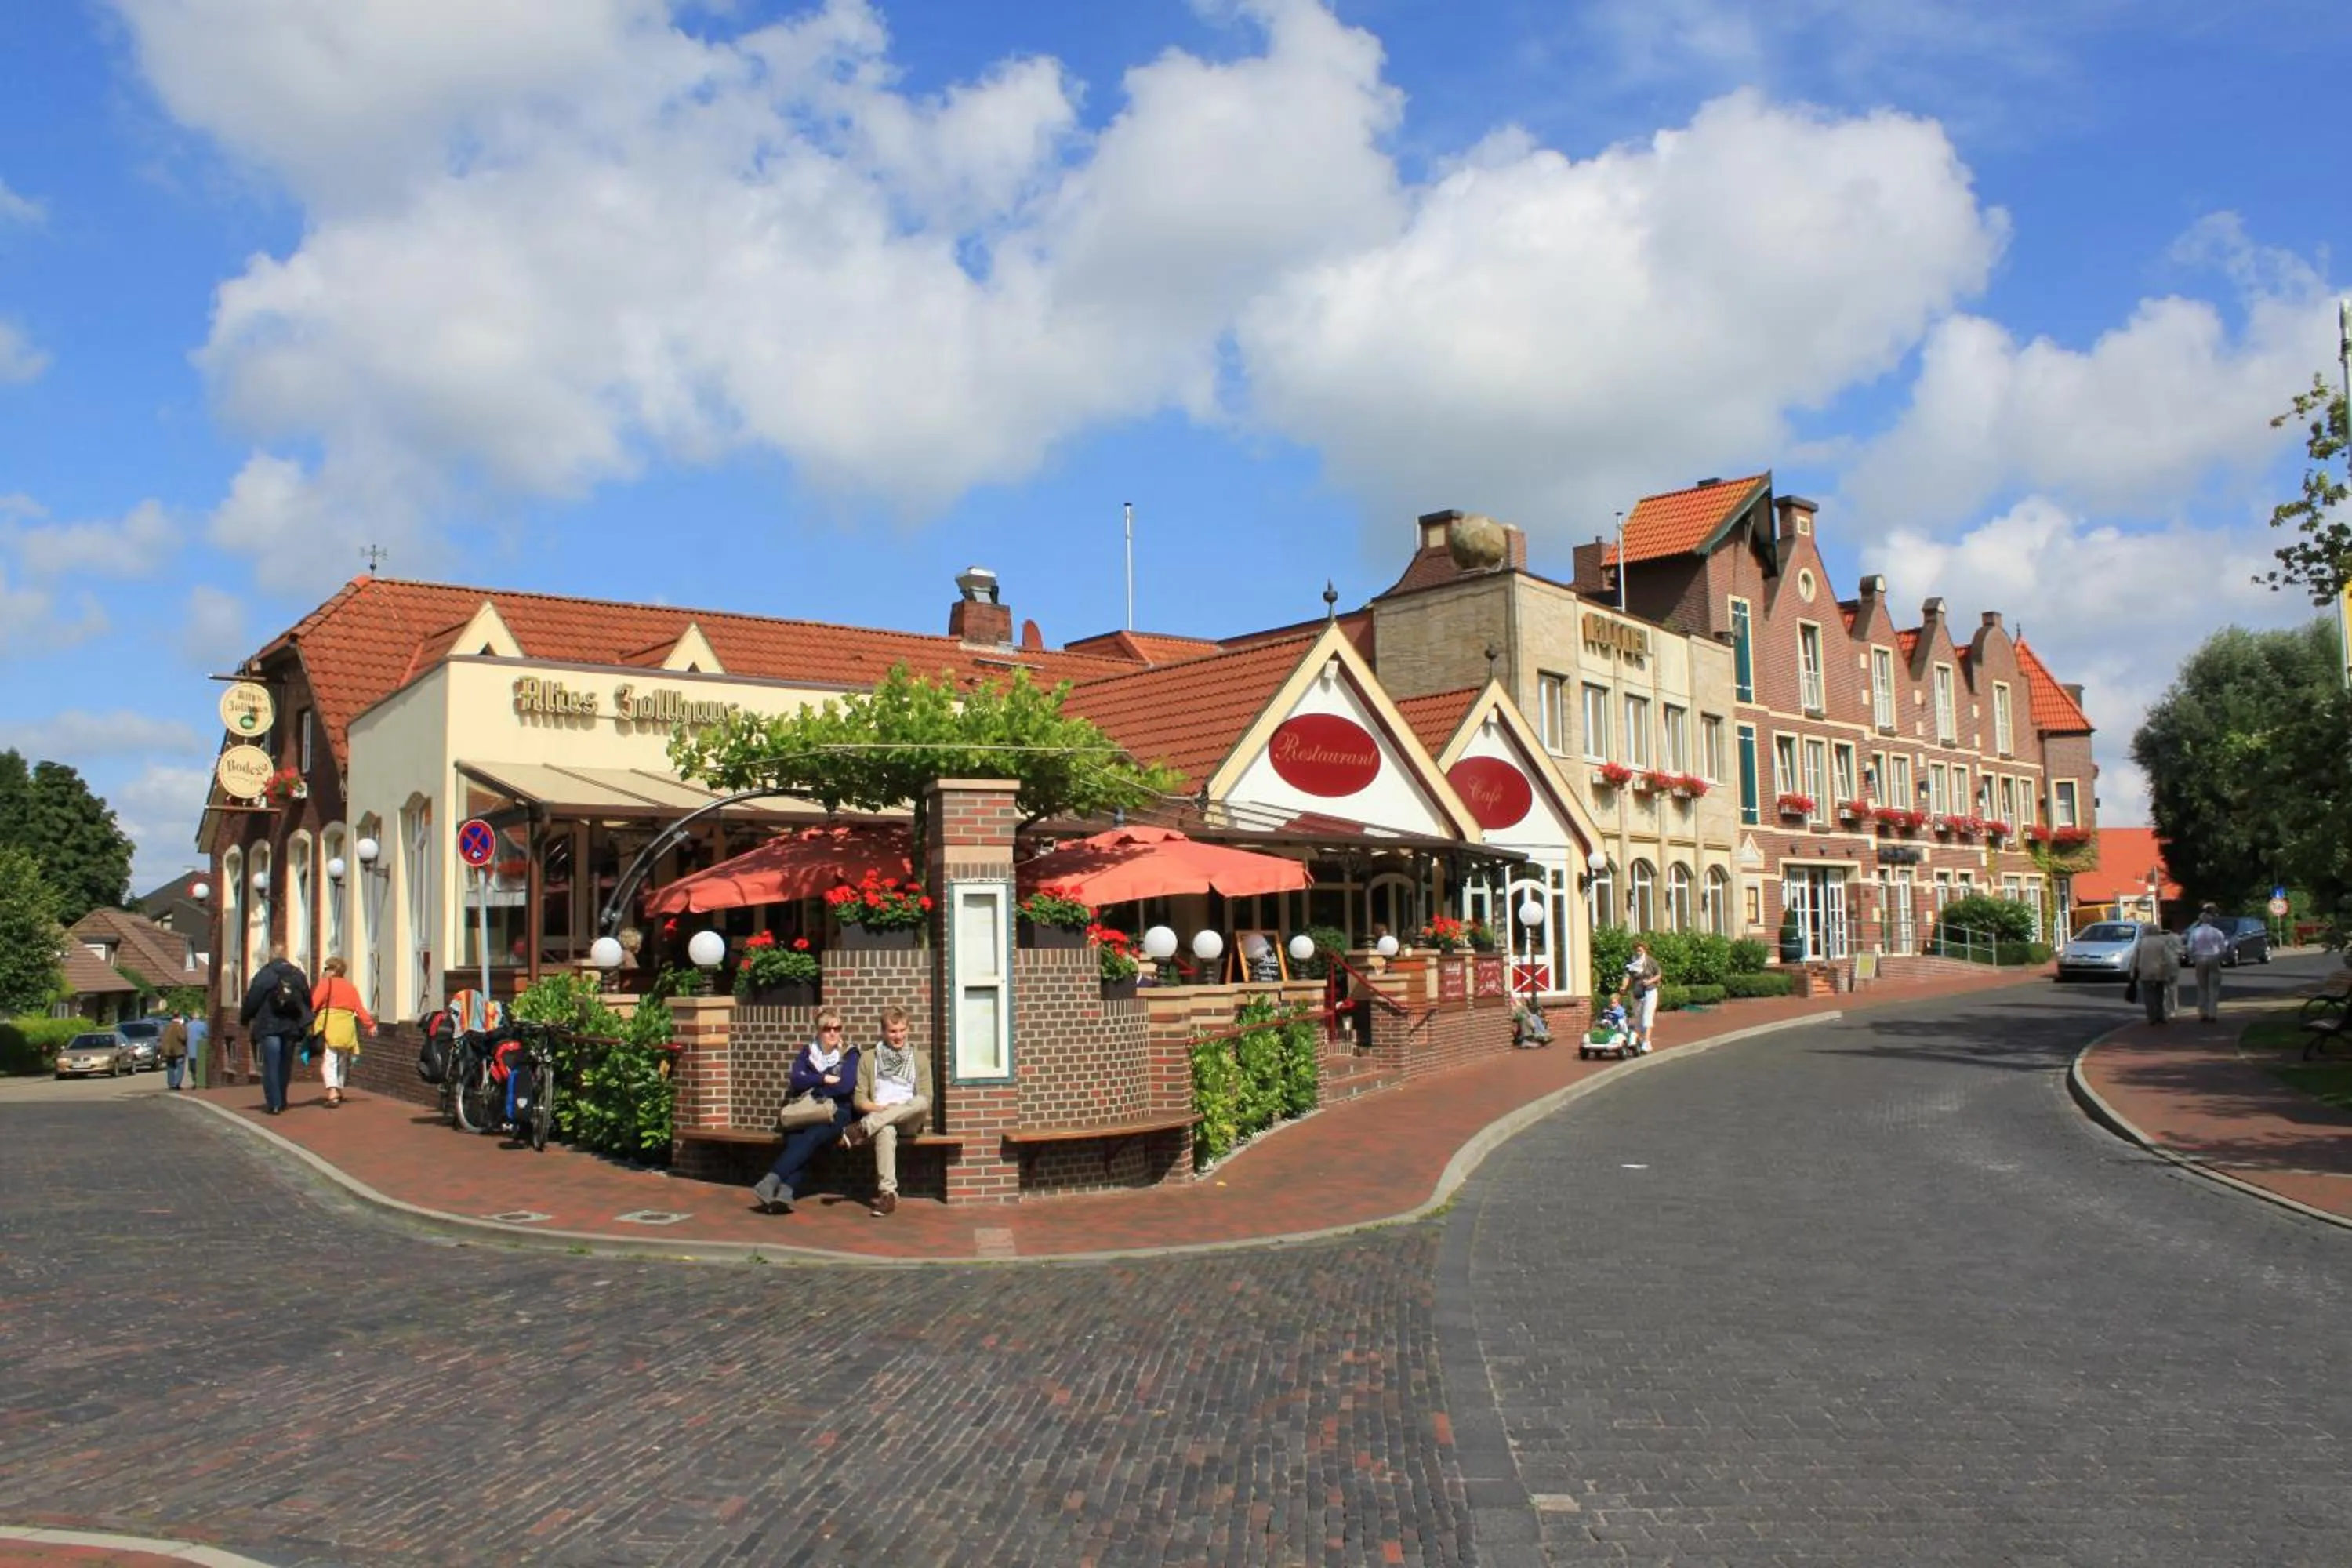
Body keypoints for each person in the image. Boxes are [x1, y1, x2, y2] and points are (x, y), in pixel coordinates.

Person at [751, 1008, 862, 1215]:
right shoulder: (808, 1052)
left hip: (837, 1112)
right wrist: (823, 1079)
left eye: (837, 1028)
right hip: (809, 1110)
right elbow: (796, 1079)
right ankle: (785, 1193)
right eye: (827, 1029)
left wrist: (815, 1085)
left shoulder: (850, 1054)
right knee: (795, 1137)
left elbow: (845, 1087)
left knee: (812, 1136)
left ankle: (771, 1180)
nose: (832, 1033)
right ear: (818, 1031)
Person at [840, 1005, 930, 1217]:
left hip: (908, 1119)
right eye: (892, 1031)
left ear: (908, 1030)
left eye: (901, 1030)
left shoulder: (920, 1059)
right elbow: (860, 1099)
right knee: (886, 1129)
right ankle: (888, 1195)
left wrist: (893, 1112)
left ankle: (862, 1128)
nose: (898, 1036)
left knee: (922, 1102)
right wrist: (880, 1110)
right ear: (883, 1032)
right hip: (881, 1115)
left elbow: (927, 1098)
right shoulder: (870, 1058)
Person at [239, 946, 314, 1115]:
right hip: (291, 1026)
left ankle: (274, 1103)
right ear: (285, 955)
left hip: (269, 1026)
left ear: (270, 956)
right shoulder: (297, 974)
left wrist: (245, 1019)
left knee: (271, 1064)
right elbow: (307, 999)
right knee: (285, 1064)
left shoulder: (264, 974)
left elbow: (253, 999)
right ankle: (283, 1098)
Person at [308, 956, 378, 1108]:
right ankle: (339, 1089)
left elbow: (313, 1005)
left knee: (330, 1060)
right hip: (347, 1028)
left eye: (326, 969)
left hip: (331, 1027)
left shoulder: (326, 984)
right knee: (342, 1060)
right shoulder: (350, 987)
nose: (324, 972)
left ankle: (332, 1092)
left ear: (333, 971)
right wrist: (370, 1025)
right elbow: (359, 1009)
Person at [2129, 920, 2183, 1025]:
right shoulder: (2161, 942)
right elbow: (2167, 958)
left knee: (2148, 995)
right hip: (2160, 971)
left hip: (2145, 971)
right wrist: (2169, 971)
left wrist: (2133, 971)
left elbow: (2135, 957)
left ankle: (2151, 1017)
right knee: (2160, 994)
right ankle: (2160, 1015)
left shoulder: (2141, 942)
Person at [2184, 903, 2230, 1024]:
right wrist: (2219, 957)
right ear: (2211, 921)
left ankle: (2202, 1013)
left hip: (2200, 959)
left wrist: (2193, 958)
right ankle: (2212, 1014)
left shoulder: (2195, 932)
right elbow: (2223, 948)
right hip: (2213, 958)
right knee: (2213, 987)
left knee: (2202, 987)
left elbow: (2189, 947)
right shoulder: (2217, 932)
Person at [1622, 940, 1663, 1054]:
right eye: (1636, 950)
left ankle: (1646, 1042)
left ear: (1644, 950)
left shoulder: (1650, 961)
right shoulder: (1631, 962)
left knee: (1647, 1017)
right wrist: (1623, 987)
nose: (1638, 952)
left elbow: (1659, 974)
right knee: (1638, 1017)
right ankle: (1644, 1041)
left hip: (1650, 991)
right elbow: (1626, 975)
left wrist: (1650, 981)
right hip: (1636, 991)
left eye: (1640, 950)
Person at [159, 1013, 190, 1091]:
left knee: (170, 1067)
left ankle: (171, 1084)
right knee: (180, 1067)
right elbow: (183, 1037)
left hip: (169, 1051)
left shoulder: (167, 1027)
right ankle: (176, 1084)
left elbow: (162, 1038)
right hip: (178, 1051)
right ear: (179, 1017)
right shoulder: (179, 1027)